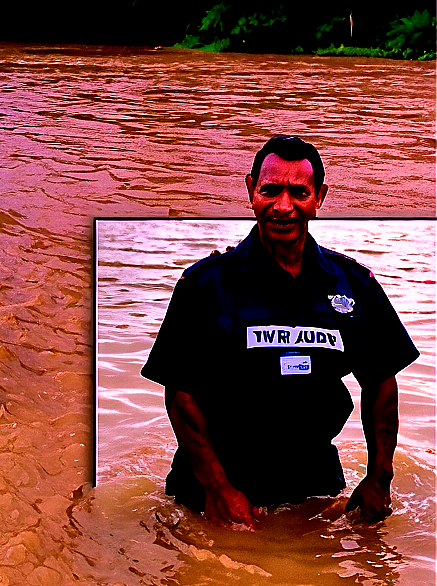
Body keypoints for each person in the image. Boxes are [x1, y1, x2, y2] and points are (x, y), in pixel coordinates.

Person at [141, 135, 419, 528]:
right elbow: (180, 391)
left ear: (319, 197)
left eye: (298, 192)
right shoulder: (204, 285)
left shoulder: (354, 286)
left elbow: (381, 381)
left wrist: (379, 478)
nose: (283, 206)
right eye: (270, 190)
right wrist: (218, 489)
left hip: (313, 487)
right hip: (210, 494)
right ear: (251, 189)